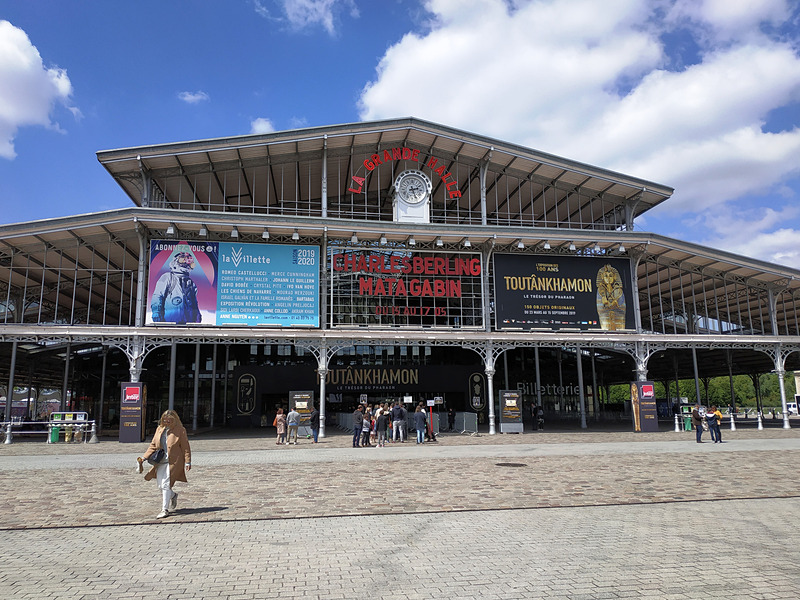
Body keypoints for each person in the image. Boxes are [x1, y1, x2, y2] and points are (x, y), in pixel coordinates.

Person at [136, 409, 191, 519]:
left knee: (166, 484)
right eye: (165, 420)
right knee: (161, 486)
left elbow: (185, 447)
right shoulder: (159, 429)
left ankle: (164, 509)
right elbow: (152, 445)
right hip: (160, 461)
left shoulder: (180, 430)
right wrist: (144, 458)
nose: (167, 422)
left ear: (174, 420)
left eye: (169, 420)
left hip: (174, 462)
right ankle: (173, 495)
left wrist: (187, 461)